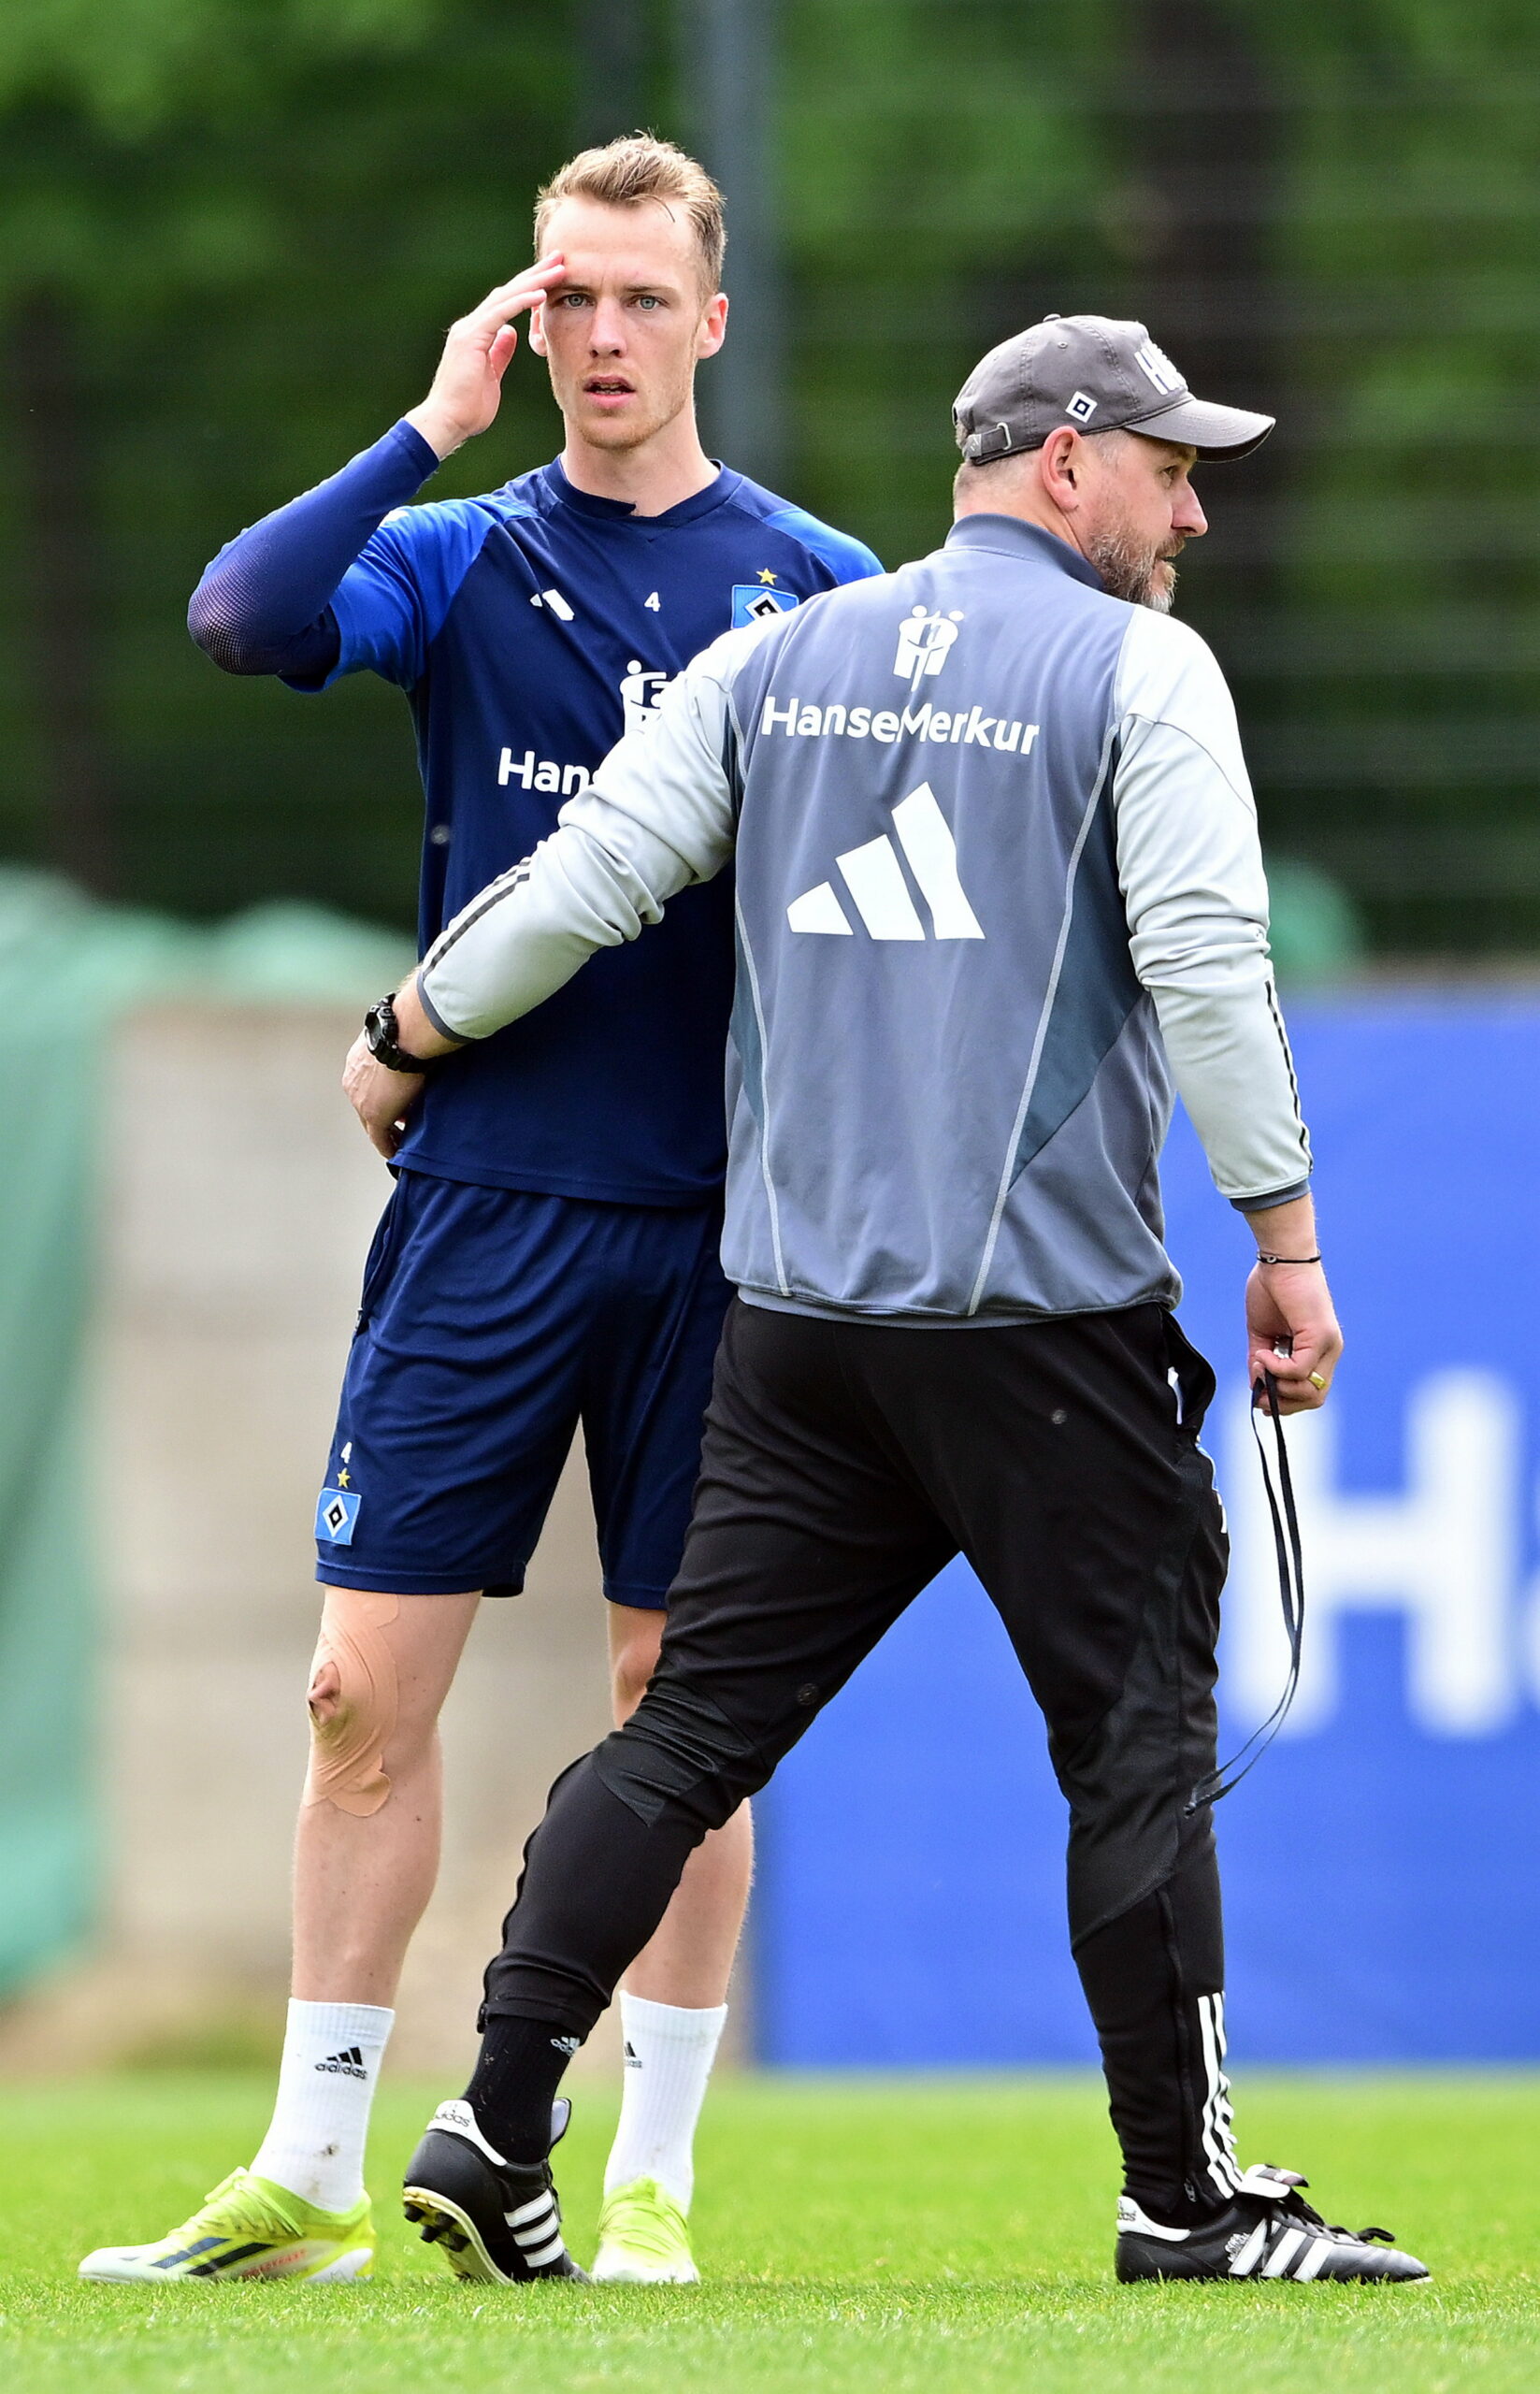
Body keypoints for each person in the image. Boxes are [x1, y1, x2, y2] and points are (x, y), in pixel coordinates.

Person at [350, 314, 1427, 2286]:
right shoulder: (1135, 665)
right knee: (1130, 1749)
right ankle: (1180, 2201)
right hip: (1037, 1320)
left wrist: (408, 1024)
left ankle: (493, 2119)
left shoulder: (776, 655)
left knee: (682, 1739)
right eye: (1170, 467)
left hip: (801, 1330)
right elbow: (1206, 962)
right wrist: (1283, 1238)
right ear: (1063, 459)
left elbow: (585, 879)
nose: (1188, 509)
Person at [78, 135, 881, 2292]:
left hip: (727, 1230)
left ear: (710, 319)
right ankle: (315, 2167)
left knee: (671, 1697)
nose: (598, 337)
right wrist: (427, 421)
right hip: (484, 1209)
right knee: (356, 1689)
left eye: (638, 298)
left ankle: (649, 2179)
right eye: (563, 298)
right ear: (524, 322)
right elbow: (241, 617)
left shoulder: (816, 587)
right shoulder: (457, 552)